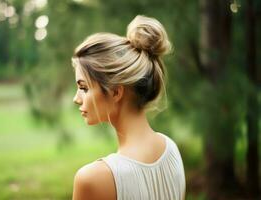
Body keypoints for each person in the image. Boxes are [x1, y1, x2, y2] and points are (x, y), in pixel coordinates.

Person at [71, 15, 186, 200]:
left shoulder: (91, 180)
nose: (76, 98)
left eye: (84, 87)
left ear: (116, 92)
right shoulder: (171, 151)